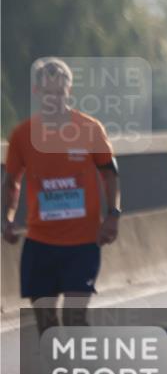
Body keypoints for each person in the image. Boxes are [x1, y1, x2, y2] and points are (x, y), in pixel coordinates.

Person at [2, 58, 120, 334]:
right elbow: (10, 181)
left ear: (69, 91)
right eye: (47, 93)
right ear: (37, 92)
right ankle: (60, 372)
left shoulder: (89, 129)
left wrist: (113, 215)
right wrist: (6, 219)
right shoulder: (23, 134)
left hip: (83, 243)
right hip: (41, 242)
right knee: (46, 324)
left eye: (59, 92)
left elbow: (109, 174)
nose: (53, 99)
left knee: (74, 319)